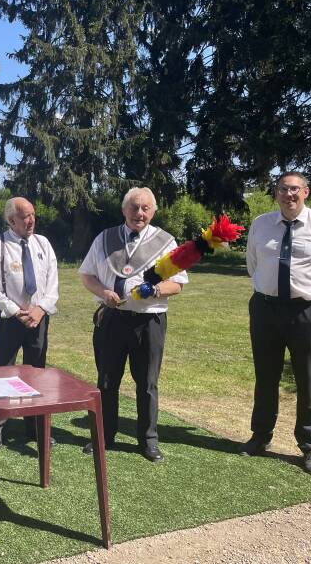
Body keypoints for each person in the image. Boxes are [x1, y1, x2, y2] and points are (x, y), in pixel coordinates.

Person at [240, 171, 311, 476]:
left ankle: (310, 446)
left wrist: (310, 295)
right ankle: (260, 436)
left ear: (306, 192)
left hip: (308, 312)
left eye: (294, 189)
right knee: (265, 376)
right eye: (282, 189)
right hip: (265, 309)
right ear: (276, 193)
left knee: (309, 380)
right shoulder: (261, 224)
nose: (288, 195)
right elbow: (253, 264)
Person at [79, 187, 187, 463]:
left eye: (145, 208)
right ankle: (104, 436)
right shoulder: (105, 238)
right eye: (134, 207)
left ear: (154, 211)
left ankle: (148, 440)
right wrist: (103, 292)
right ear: (123, 209)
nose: (139, 213)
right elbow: (87, 275)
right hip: (111, 319)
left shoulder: (165, 241)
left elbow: (178, 283)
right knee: (106, 380)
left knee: (147, 383)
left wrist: (157, 290)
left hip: (148, 321)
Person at [0, 196, 59, 448]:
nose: (31, 220)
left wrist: (40, 309)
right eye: (25, 216)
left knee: (36, 373)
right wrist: (17, 311)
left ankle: (35, 427)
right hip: (9, 320)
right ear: (11, 220)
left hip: (38, 319)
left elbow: (53, 285)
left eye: (33, 214)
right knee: (2, 372)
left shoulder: (43, 243)